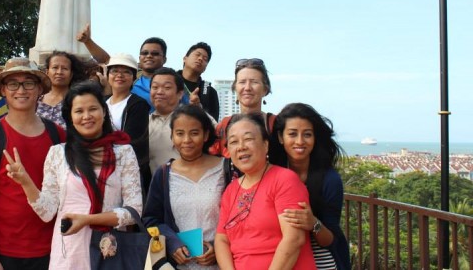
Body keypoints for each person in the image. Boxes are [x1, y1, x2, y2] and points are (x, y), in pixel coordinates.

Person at [4, 81, 143, 269]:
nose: (86, 116)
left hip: (110, 250)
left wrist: (87, 220)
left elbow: (133, 212)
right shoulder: (57, 153)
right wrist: (26, 182)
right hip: (68, 251)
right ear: (70, 117)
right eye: (79, 111)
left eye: (92, 109)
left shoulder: (124, 152)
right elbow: (47, 212)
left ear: (103, 111)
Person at [0, 58, 66, 270]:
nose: (21, 90)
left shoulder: (57, 135)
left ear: (39, 88)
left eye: (28, 83)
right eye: (13, 83)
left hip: (51, 249)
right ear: (3, 90)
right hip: (4, 253)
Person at [214, 113, 316, 269]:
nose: (241, 147)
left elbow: (294, 239)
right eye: (234, 142)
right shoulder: (231, 190)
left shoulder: (284, 180)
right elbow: (221, 240)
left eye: (248, 139)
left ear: (265, 145)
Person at [270, 103, 350, 270]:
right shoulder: (270, 172)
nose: (300, 141)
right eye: (292, 134)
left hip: (320, 260)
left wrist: (313, 223)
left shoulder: (329, 180)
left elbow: (331, 239)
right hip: (278, 257)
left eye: (307, 134)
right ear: (280, 137)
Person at [143, 105, 224, 269]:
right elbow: (151, 220)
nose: (186, 140)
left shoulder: (225, 169)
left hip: (222, 264)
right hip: (179, 266)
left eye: (194, 133)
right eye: (180, 133)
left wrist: (219, 247)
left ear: (206, 134)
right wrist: (173, 244)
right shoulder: (164, 174)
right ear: (172, 136)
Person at [105, 53, 151, 193]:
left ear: (133, 78)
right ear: (108, 76)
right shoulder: (100, 102)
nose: (120, 75)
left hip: (127, 173)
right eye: (115, 71)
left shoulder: (138, 105)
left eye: (126, 72)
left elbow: (131, 141)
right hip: (100, 167)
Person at [210, 58, 275, 158]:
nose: (247, 88)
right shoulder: (224, 125)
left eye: (254, 82)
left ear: (265, 89)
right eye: (242, 82)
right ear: (235, 88)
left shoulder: (275, 124)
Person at [36, 51, 86, 127]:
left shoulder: (78, 100)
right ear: (47, 72)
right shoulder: (35, 99)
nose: (59, 72)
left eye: (65, 68)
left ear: (71, 74)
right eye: (55, 68)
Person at [179, 42, 220, 120]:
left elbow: (213, 125)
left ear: (205, 68)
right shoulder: (170, 81)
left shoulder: (210, 92)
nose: (200, 59)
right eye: (197, 55)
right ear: (185, 58)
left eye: (205, 59)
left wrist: (199, 109)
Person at [132, 37, 168, 108]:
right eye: (144, 53)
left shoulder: (175, 82)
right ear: (139, 58)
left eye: (155, 53)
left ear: (164, 59)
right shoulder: (129, 83)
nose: (149, 56)